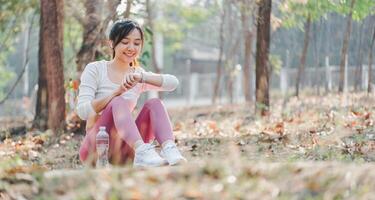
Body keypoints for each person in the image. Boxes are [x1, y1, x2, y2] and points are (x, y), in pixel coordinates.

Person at [76, 19, 186, 167]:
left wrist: (142, 77)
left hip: (126, 153)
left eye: (136, 43)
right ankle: (141, 151)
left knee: (154, 104)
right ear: (112, 43)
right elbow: (83, 112)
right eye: (125, 42)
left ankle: (169, 149)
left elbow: (173, 83)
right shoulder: (96, 69)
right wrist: (116, 92)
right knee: (117, 101)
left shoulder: (136, 76)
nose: (131, 47)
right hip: (96, 149)